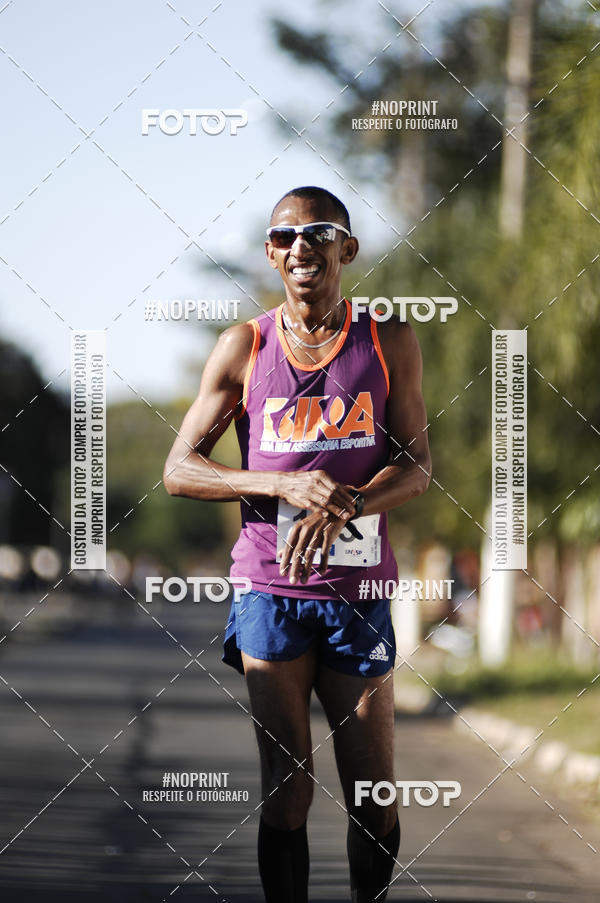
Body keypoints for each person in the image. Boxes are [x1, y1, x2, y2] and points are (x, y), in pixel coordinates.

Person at [164, 185, 431, 902]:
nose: (301, 246)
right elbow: (179, 469)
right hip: (269, 589)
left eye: (319, 232)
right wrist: (280, 485)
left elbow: (417, 464)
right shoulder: (244, 346)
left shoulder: (388, 338)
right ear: (271, 255)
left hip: (358, 592)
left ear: (347, 248)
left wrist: (351, 497)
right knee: (286, 789)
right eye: (285, 237)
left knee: (372, 791)